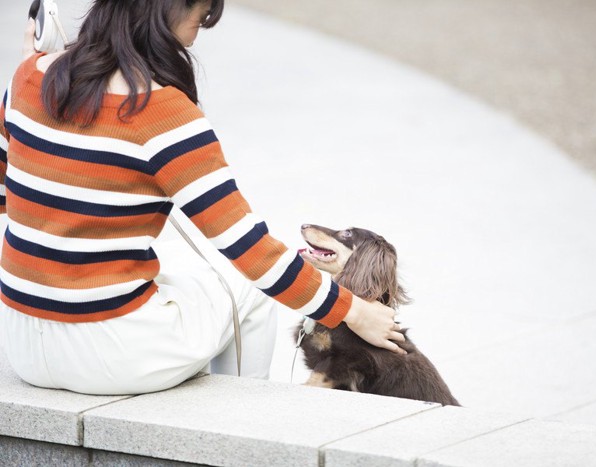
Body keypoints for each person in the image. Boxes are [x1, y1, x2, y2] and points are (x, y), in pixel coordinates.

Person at [0, 0, 405, 395]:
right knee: (244, 289)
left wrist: (30, 82)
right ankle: (244, 431)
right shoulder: (163, 112)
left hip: (23, 345)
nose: (195, 36)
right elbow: (251, 250)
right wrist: (354, 311)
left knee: (180, 260)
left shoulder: (30, 76)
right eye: (203, 15)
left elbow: (8, 197)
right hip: (110, 356)